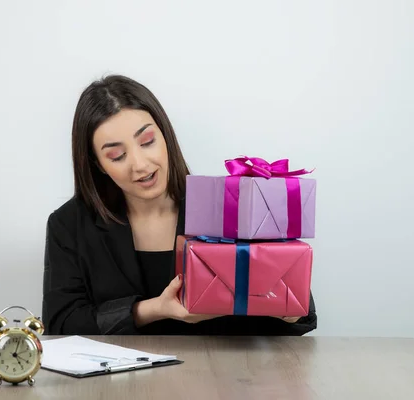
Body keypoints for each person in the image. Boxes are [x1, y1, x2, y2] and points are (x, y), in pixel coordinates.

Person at [42, 74, 317, 335]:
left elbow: (301, 318)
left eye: (147, 141)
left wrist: (283, 303)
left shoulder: (230, 207)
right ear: (98, 165)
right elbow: (60, 324)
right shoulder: (69, 225)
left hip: (224, 377)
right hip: (120, 383)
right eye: (117, 155)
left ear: (165, 136)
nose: (140, 164)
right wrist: (151, 310)